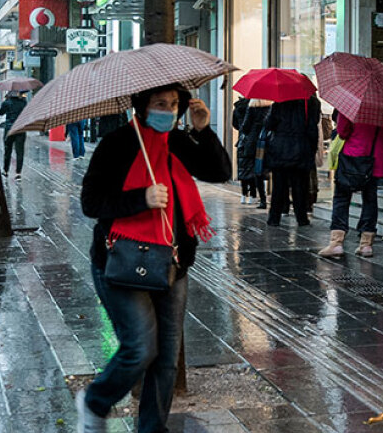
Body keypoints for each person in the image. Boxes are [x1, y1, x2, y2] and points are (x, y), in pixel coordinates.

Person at [76, 84, 231, 433]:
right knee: (140, 348)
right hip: (121, 260)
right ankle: (95, 401)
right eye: (160, 104)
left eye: (175, 104)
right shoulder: (117, 144)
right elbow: (91, 202)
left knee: (165, 359)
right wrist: (140, 198)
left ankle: (152, 429)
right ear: (142, 107)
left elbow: (220, 172)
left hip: (172, 262)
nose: (169, 111)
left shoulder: (176, 142)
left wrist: (203, 129)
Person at [319, 112, 383, 258]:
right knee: (370, 199)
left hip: (352, 157)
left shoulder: (351, 105)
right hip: (375, 160)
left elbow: (342, 132)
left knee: (341, 198)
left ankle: (336, 243)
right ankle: (366, 244)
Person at [264, 95, 321, 227]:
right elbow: (313, 128)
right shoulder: (311, 102)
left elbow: (269, 124)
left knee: (279, 187)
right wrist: (311, 149)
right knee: (300, 187)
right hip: (301, 149)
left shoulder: (280, 101)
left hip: (280, 149)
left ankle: (274, 218)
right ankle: (302, 218)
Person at [232, 97, 271, 208]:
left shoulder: (252, 108)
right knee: (266, 169)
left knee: (256, 170)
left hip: (253, 143)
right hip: (266, 142)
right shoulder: (271, 108)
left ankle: (261, 199)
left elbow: (245, 127)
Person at [0, 91, 28, 180]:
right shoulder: (23, 102)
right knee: (20, 152)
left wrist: (5, 101)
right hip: (21, 129)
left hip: (9, 129)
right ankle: (18, 173)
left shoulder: (7, 102)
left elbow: (0, 113)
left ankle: (5, 170)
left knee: (8, 150)